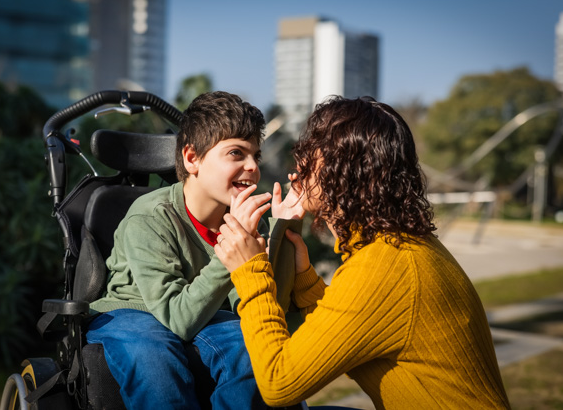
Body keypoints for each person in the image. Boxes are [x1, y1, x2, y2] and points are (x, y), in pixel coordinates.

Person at [214, 96, 511, 409]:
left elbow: (278, 383)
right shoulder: (399, 247)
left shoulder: (384, 268)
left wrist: (250, 270)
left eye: (310, 158)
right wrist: (304, 279)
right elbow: (351, 328)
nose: (297, 169)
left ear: (341, 172)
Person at [87, 91, 300, 409]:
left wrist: (285, 227)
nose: (252, 166)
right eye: (236, 154)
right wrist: (232, 250)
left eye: (256, 155)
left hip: (210, 314)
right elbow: (179, 319)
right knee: (154, 358)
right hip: (133, 311)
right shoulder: (151, 215)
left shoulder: (247, 222)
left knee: (254, 349)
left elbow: (264, 309)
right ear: (192, 158)